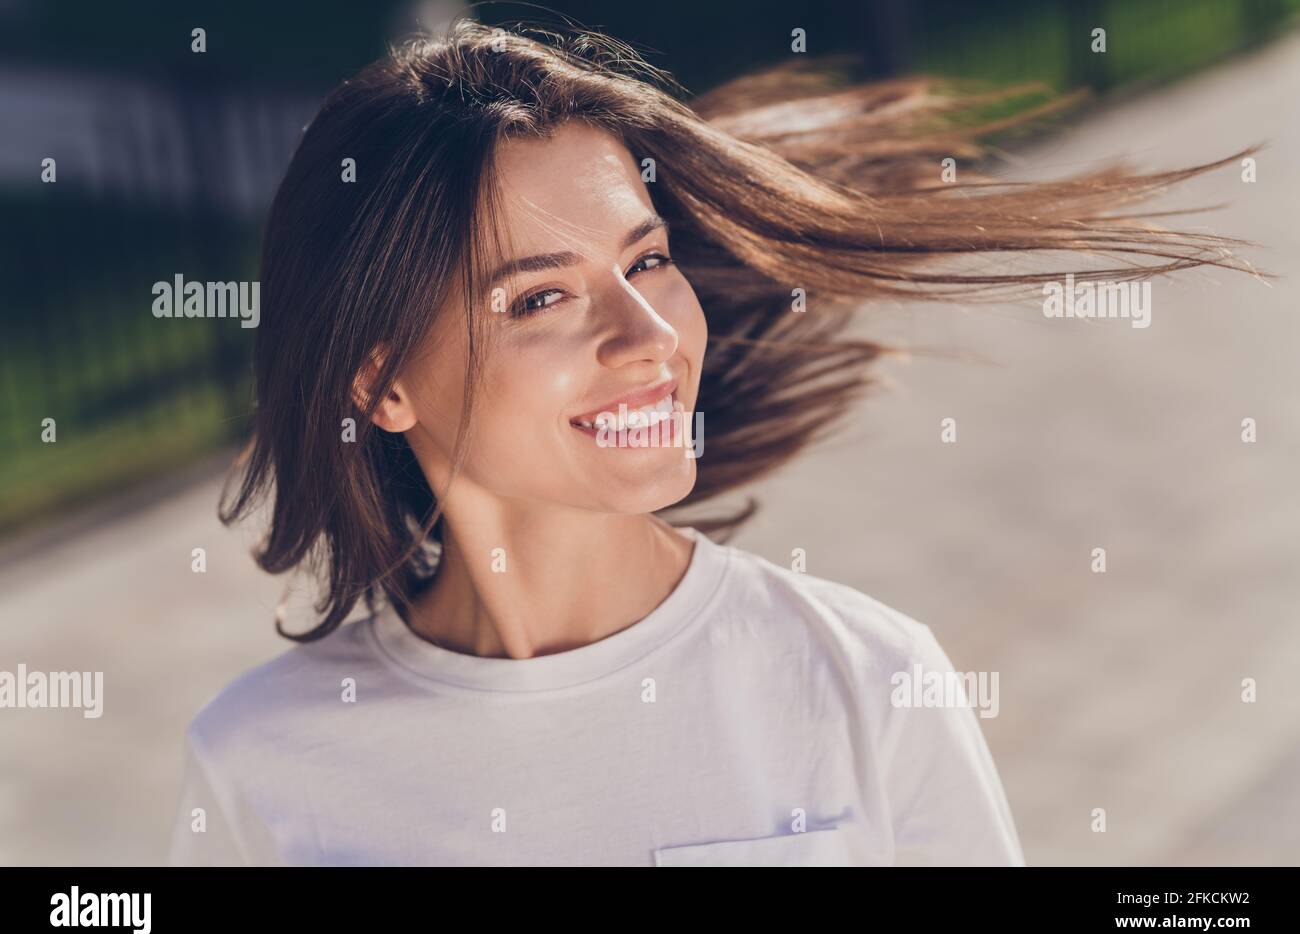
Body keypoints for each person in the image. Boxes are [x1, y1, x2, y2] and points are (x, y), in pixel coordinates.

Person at [166, 18, 1247, 866]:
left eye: (645, 262)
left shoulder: (866, 681)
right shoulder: (260, 759)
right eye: (541, 296)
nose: (647, 338)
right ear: (383, 380)